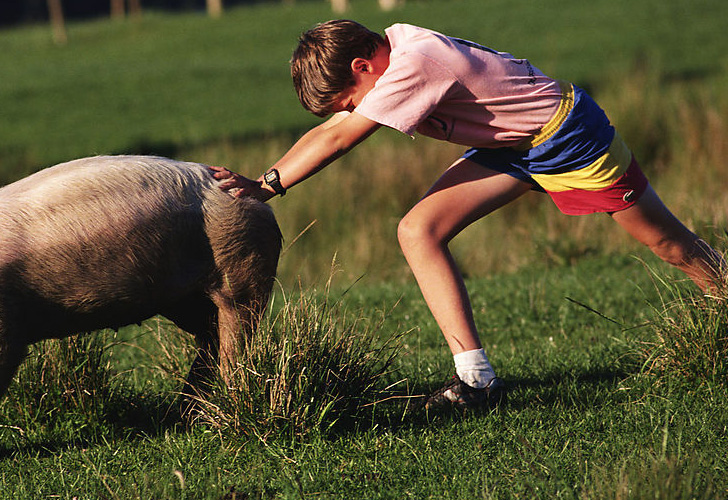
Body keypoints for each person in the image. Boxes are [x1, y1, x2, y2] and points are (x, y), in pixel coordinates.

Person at [210, 19, 724, 411]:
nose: (353, 111)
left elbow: (338, 137)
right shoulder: (392, 50)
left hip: (566, 135)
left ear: (363, 67)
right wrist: (265, 180)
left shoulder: (413, 62)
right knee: (418, 230)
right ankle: (476, 381)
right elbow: (332, 128)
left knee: (669, 245)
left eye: (349, 100)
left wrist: (267, 185)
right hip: (509, 146)